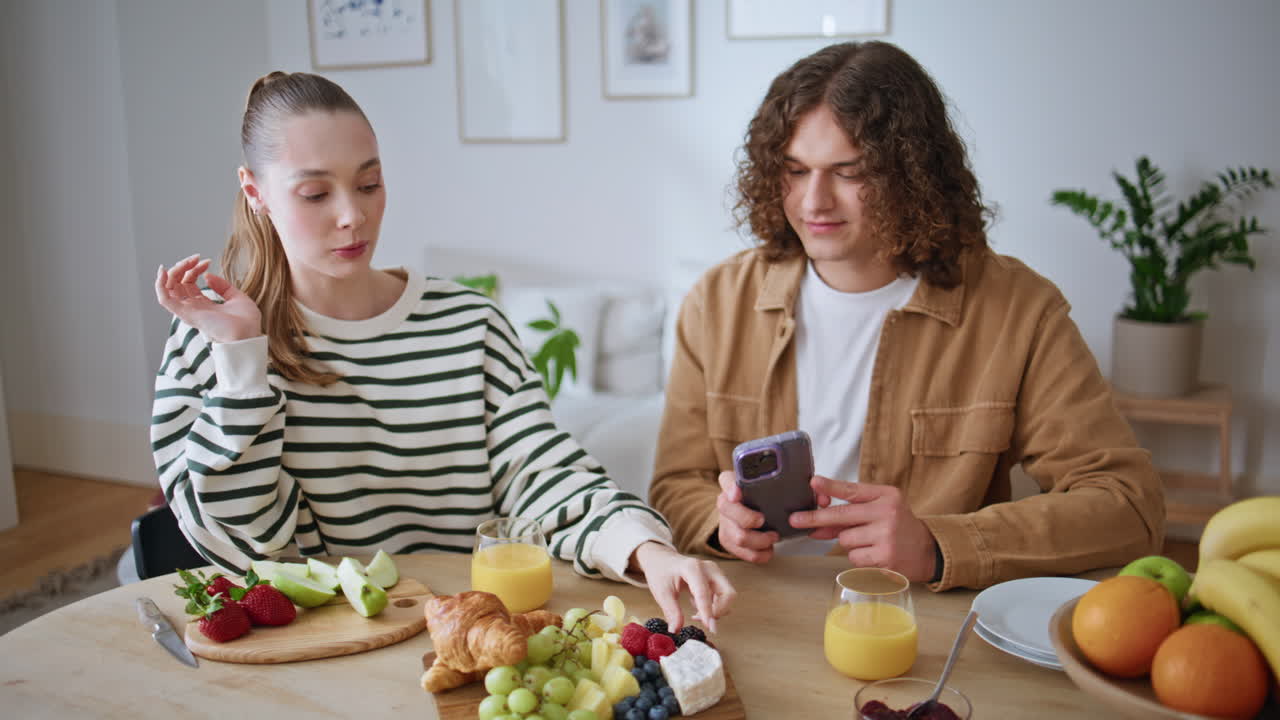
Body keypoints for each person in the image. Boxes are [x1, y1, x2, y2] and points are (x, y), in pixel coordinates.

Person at [151, 71, 733, 630]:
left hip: (468, 637)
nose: (353, 215)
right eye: (315, 193)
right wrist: (243, 363)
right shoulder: (216, 339)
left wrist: (646, 548)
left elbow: (543, 471)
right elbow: (245, 547)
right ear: (256, 193)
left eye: (369, 184)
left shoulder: (469, 324)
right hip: (314, 646)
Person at [649, 41, 1165, 591]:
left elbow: (1128, 506)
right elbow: (676, 485)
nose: (812, 202)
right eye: (794, 171)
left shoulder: (1019, 309)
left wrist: (940, 545)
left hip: (918, 624)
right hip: (755, 613)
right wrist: (718, 524)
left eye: (849, 172)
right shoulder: (716, 302)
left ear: (913, 174)